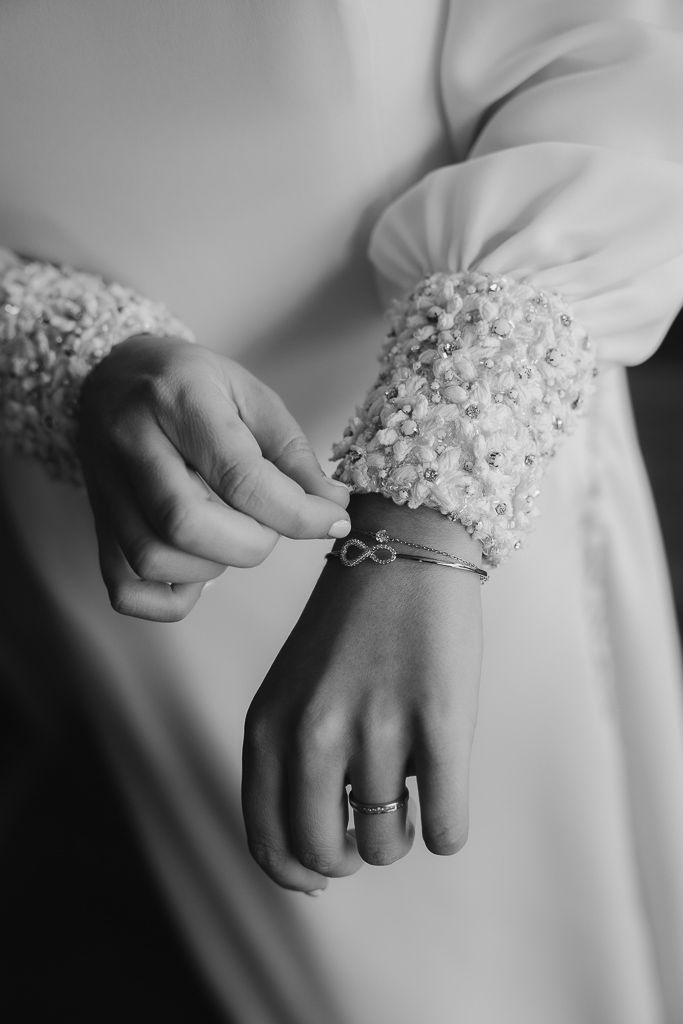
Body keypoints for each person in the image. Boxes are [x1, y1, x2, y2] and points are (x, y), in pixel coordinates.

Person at [1, 2, 683, 1022]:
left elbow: (622, 75)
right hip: (118, 511)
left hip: (482, 442)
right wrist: (72, 360)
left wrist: (426, 509)